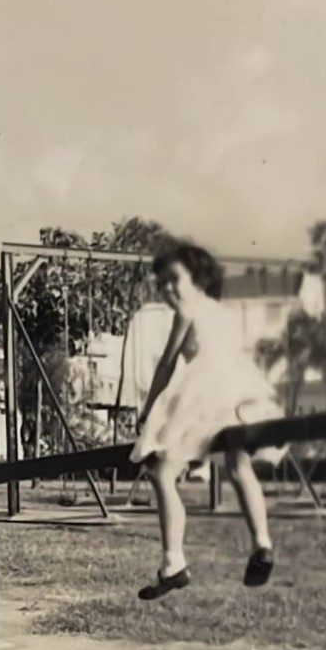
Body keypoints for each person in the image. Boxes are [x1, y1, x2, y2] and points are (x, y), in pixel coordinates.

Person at [130, 241, 284, 600]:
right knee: (238, 464)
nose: (168, 289)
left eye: (174, 280)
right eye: (162, 283)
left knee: (160, 471)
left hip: (208, 394)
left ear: (196, 278)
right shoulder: (224, 312)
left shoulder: (187, 310)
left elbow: (167, 365)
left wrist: (150, 407)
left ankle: (173, 564)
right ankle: (262, 542)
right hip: (242, 394)